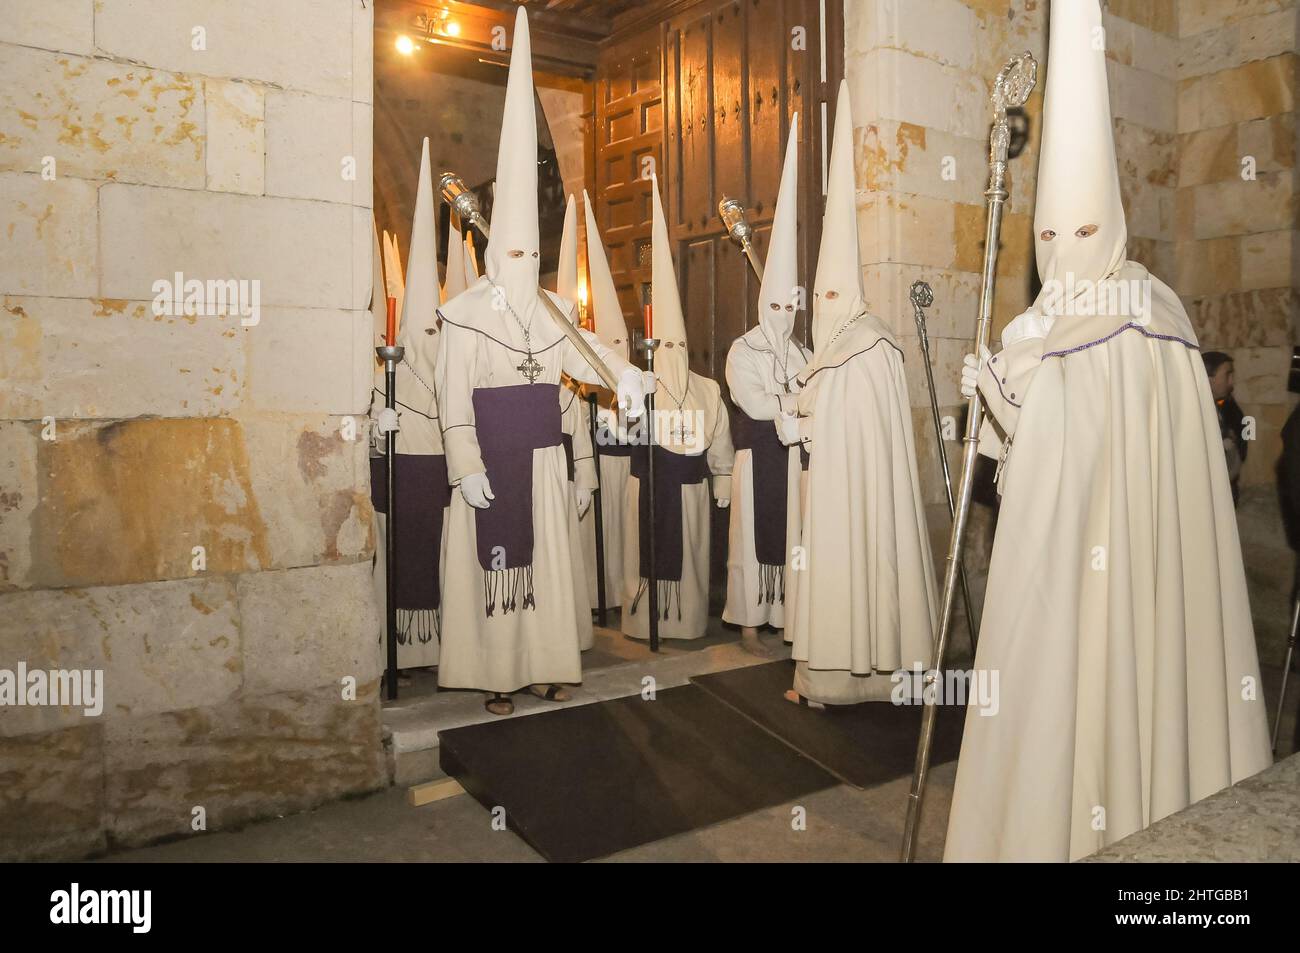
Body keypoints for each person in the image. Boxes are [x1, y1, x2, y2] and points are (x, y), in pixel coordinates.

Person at [945, 0, 1272, 862]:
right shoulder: (1065, 323)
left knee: (1118, 703)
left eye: (1081, 230)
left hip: (1115, 555)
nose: (1064, 249)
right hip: (1071, 559)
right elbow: (1046, 455)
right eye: (1048, 234)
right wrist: (999, 400)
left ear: (1115, 223)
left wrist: (1009, 404)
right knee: (1072, 718)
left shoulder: (1142, 311)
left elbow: (1064, 444)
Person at [433, 7, 648, 717]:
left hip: (545, 459)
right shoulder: (463, 316)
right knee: (496, 569)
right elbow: (452, 398)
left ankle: (549, 663)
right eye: (514, 253)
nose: (524, 263)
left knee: (548, 568)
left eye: (532, 252)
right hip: (492, 455)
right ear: (495, 256)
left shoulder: (554, 310)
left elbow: (586, 363)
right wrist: (463, 465)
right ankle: (498, 673)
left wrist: (629, 379)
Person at [783, 81, 938, 706]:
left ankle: (885, 678)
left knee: (870, 565)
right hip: (831, 491)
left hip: (856, 489)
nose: (822, 307)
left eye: (829, 296)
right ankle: (832, 681)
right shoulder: (836, 345)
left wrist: (807, 423)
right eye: (816, 297)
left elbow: (847, 425)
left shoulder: (870, 344)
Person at [621, 174, 734, 642]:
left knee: (689, 553)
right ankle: (641, 619)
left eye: (678, 345)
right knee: (640, 551)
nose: (672, 353)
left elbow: (721, 437)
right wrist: (632, 406)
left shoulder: (707, 389)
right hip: (646, 487)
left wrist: (723, 476)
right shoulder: (637, 384)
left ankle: (684, 623)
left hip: (688, 490)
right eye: (663, 344)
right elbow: (619, 433)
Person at [369, 138, 451, 671]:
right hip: (397, 484)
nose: (426, 337)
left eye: (433, 326)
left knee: (443, 565)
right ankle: (395, 652)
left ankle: (440, 650)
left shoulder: (454, 375)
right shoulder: (384, 377)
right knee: (396, 560)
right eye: (417, 328)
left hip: (441, 485)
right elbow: (368, 442)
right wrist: (380, 428)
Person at [578, 189, 633, 612]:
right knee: (593, 537)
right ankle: (594, 597)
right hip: (592, 467)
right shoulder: (579, 390)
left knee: (621, 533)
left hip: (626, 470)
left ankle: (618, 594)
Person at [1203, 351, 1247, 504]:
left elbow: (1245, 428)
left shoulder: (1227, 404)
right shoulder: (1192, 410)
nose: (1232, 382)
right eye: (1227, 375)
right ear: (1208, 379)